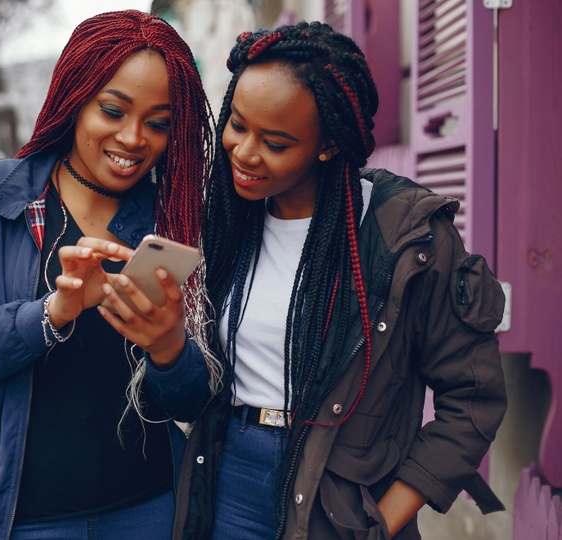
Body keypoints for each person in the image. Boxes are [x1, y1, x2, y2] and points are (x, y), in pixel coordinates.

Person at [112, 21, 507, 539]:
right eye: (237, 124)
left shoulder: (405, 239)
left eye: (275, 142)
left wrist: (383, 523)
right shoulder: (223, 224)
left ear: (327, 146)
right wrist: (161, 340)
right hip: (225, 479)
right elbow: (190, 390)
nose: (244, 152)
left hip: (341, 500)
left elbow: (472, 400)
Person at [0, 10, 214, 540]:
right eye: (114, 110)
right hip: (16, 520)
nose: (133, 137)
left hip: (146, 512)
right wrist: (51, 314)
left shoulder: (173, 220)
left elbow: (192, 403)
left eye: (159, 122)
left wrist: (169, 347)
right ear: (76, 97)